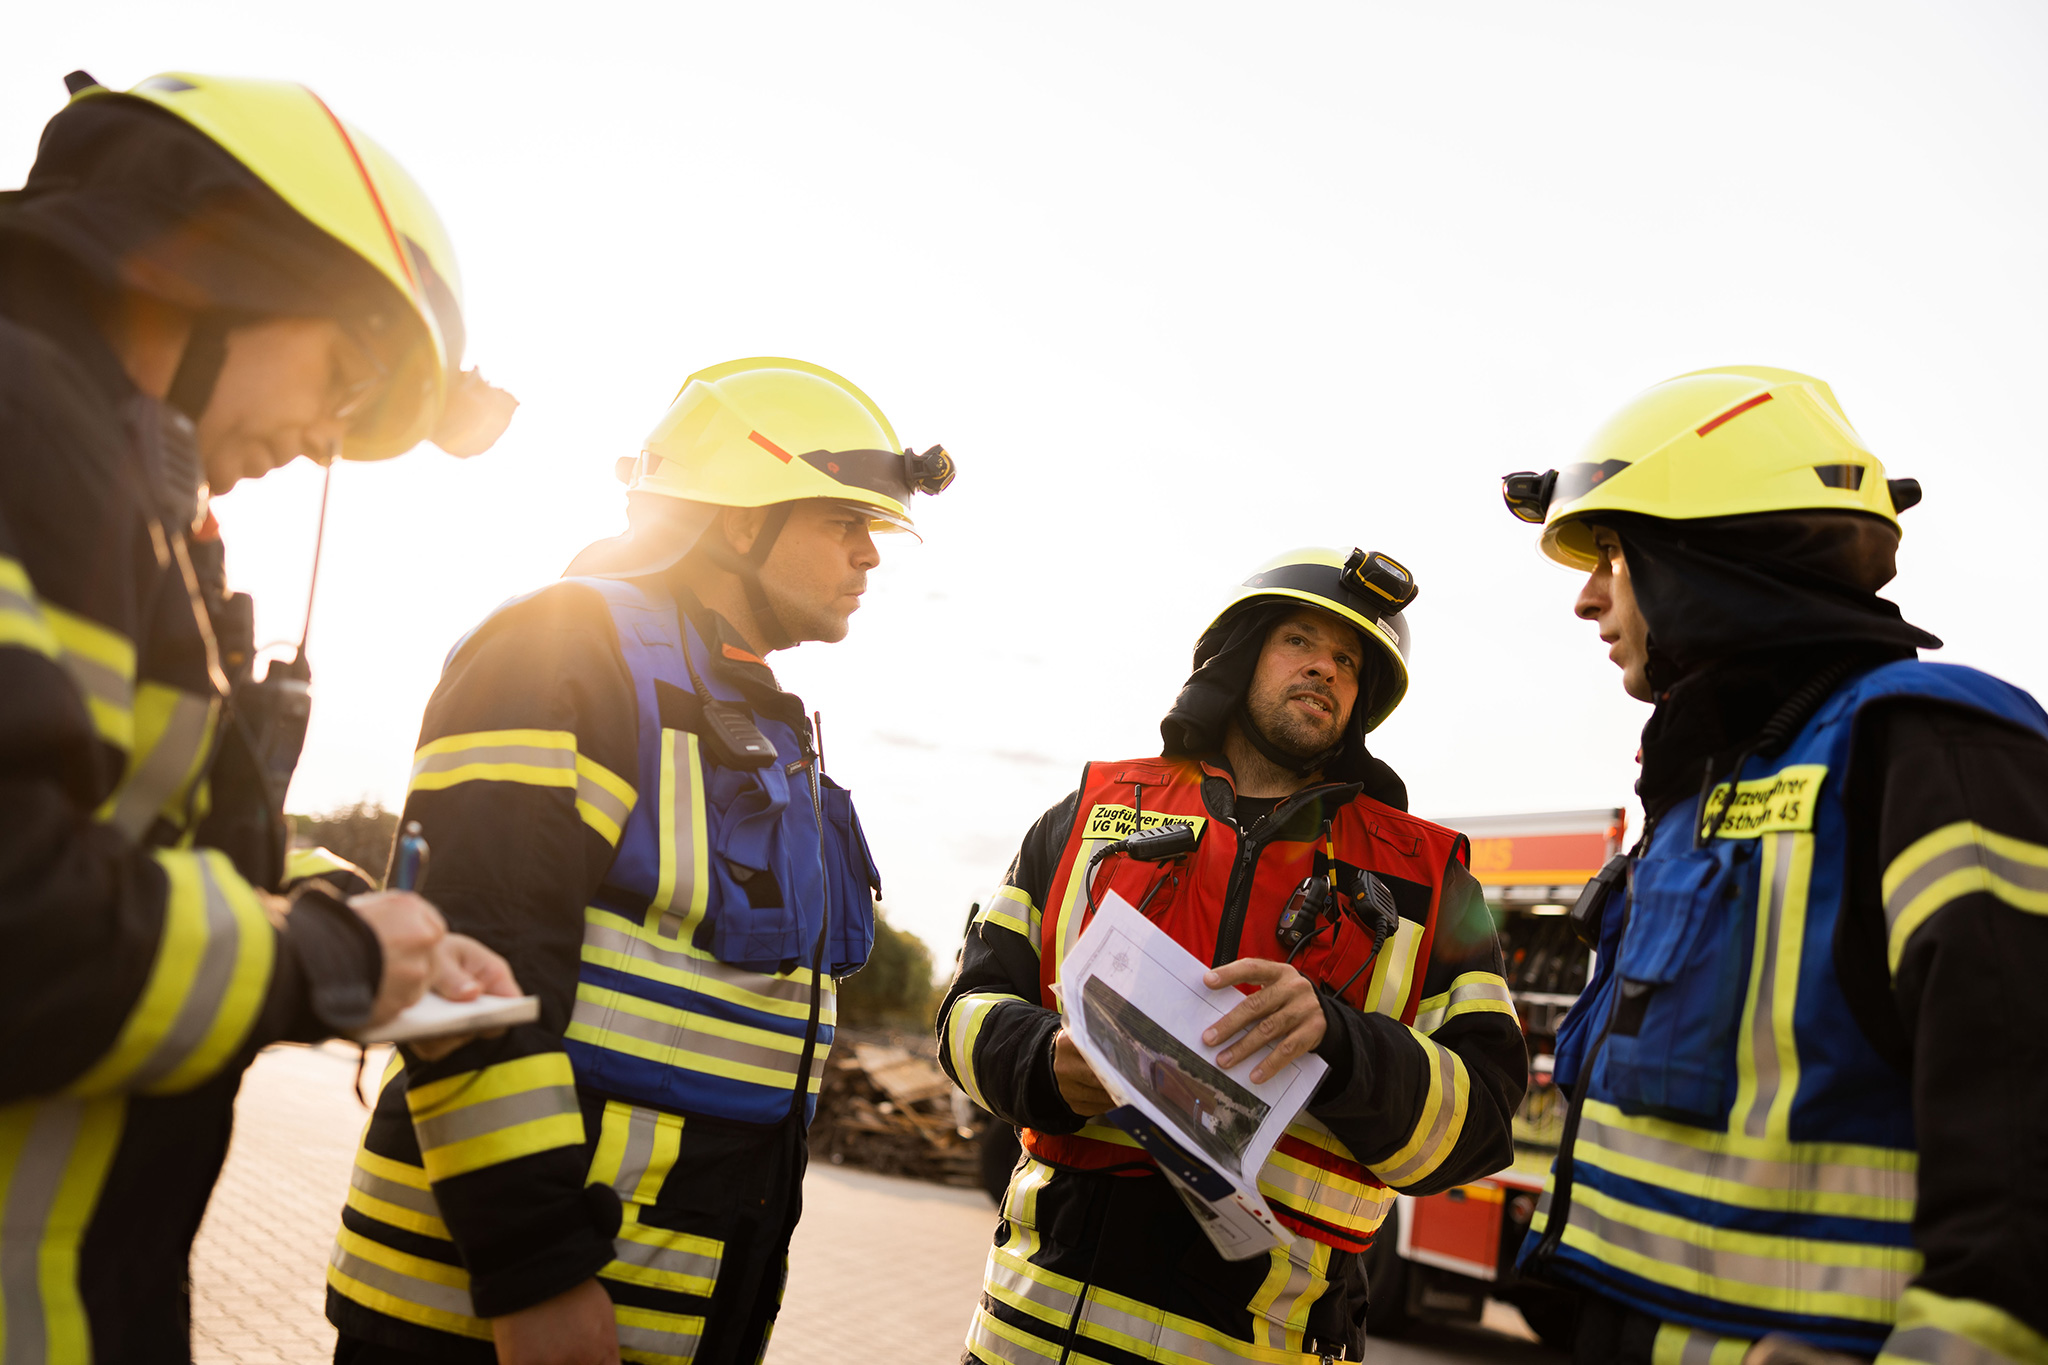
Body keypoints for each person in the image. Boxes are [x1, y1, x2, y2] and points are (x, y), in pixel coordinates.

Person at [0, 70, 520, 1361]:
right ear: (213, 264)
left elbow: (130, 833)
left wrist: (347, 918)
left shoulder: (109, 482)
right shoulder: (25, 427)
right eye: (341, 378)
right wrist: (325, 967)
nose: (323, 440)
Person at [325, 358, 955, 1364]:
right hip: (489, 1319)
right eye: (844, 522)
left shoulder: (752, 710)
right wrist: (538, 1277)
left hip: (662, 1315)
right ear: (740, 520)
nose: (866, 557)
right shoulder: (563, 647)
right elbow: (474, 970)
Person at [1501, 366, 2048, 1364]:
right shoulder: (1692, 800)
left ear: (1699, 558)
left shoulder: (1928, 748)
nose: (1585, 600)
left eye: (1611, 553)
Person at [937, 546, 1528, 1362]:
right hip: (1032, 1335)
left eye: (1349, 660)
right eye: (1301, 640)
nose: (1326, 667)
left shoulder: (1431, 880)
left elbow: (1483, 1121)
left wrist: (1339, 1041)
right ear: (1241, 650)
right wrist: (1044, 1060)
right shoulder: (1087, 813)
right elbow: (966, 1012)